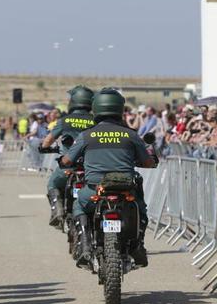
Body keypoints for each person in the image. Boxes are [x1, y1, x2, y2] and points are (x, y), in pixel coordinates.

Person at [61, 88, 157, 268]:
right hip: (125, 191)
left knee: (79, 205)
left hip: (94, 191)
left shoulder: (86, 135)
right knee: (140, 208)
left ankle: (86, 246)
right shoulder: (131, 134)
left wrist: (63, 160)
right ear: (119, 108)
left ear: (96, 108)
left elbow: (67, 160)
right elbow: (147, 162)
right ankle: (138, 245)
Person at [40, 85, 95, 226]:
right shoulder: (95, 120)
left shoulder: (64, 120)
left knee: (52, 184)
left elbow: (47, 141)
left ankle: (57, 209)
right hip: (90, 167)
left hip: (68, 165)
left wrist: (44, 148)